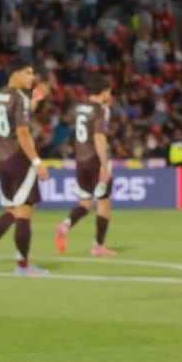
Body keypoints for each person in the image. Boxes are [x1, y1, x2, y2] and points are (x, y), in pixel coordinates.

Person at [0, 59, 51, 276]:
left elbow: (12, 118)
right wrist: (37, 162)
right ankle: (22, 265)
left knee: (12, 209)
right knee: (25, 212)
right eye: (28, 72)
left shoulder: (0, 94)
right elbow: (22, 132)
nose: (32, 77)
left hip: (2, 156)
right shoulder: (20, 97)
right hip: (20, 157)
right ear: (15, 74)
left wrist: (35, 102)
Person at [55, 74, 117, 256]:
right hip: (95, 160)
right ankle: (98, 246)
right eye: (109, 90)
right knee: (104, 202)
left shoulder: (80, 108)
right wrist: (104, 166)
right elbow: (98, 137)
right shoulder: (101, 110)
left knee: (85, 203)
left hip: (80, 160)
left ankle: (65, 225)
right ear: (104, 91)